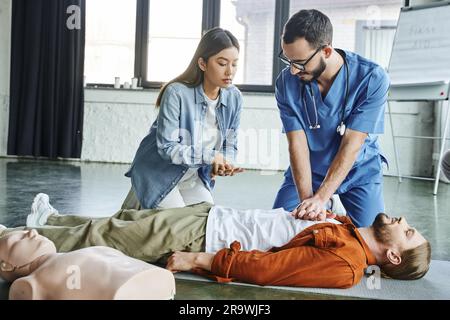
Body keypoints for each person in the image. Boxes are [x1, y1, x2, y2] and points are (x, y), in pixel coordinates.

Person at [1, 193, 431, 289]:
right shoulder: (350, 230)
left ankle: (12, 244)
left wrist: (199, 260)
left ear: (393, 254)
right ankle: (49, 223)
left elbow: (268, 269)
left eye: (407, 231)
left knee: (108, 235)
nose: (402, 219)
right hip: (214, 216)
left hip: (207, 235)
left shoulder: (347, 266)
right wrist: (324, 208)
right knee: (125, 220)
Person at [273, 9, 390, 227]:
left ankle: (331, 203)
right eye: (287, 60)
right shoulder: (286, 83)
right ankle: (329, 206)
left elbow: (352, 145)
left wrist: (321, 198)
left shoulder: (372, 78)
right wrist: (308, 204)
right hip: (310, 170)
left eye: (299, 62)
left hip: (359, 171)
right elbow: (297, 145)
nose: (293, 71)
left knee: (372, 243)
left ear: (326, 51)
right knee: (281, 231)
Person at [123, 27, 244, 210]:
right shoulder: (176, 93)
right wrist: (211, 156)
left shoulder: (234, 97)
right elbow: (167, 148)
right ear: (202, 64)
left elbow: (230, 144)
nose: (230, 72)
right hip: (158, 175)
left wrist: (225, 163)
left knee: (206, 221)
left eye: (234, 64)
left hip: (193, 176)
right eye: (222, 63)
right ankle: (138, 202)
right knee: (176, 227)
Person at [0, 229, 176, 300]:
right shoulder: (29, 284)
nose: (32, 231)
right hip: (128, 290)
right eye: (19, 239)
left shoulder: (79, 252)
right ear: (6, 266)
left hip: (153, 278)